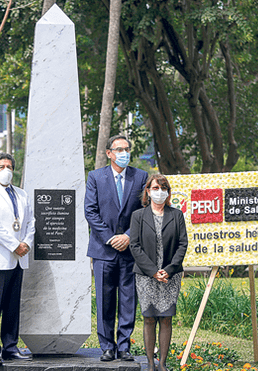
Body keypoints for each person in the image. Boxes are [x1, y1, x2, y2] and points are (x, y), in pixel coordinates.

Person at [84, 135, 149, 362]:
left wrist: (128, 236)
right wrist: (112, 238)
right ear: (109, 153)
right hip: (103, 250)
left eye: (127, 148)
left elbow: (144, 211)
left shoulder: (140, 177)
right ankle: (107, 346)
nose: (124, 152)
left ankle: (124, 346)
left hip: (131, 251)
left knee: (129, 300)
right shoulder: (95, 177)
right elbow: (90, 211)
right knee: (105, 299)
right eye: (119, 149)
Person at [0, 152, 35, 365]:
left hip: (19, 258)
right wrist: (14, 245)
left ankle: (10, 347)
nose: (6, 171)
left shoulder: (22, 194)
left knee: (12, 305)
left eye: (9, 166)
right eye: (1, 167)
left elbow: (31, 221)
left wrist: (26, 243)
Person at [129, 174, 188, 371]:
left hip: (170, 275)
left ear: (168, 192)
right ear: (148, 191)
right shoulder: (138, 216)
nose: (159, 192)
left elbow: (182, 244)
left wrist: (169, 270)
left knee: (166, 317)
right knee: (149, 318)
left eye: (163, 188)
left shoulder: (176, 215)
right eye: (155, 188)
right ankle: (149, 363)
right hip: (146, 275)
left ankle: (162, 363)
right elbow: (135, 246)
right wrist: (153, 271)